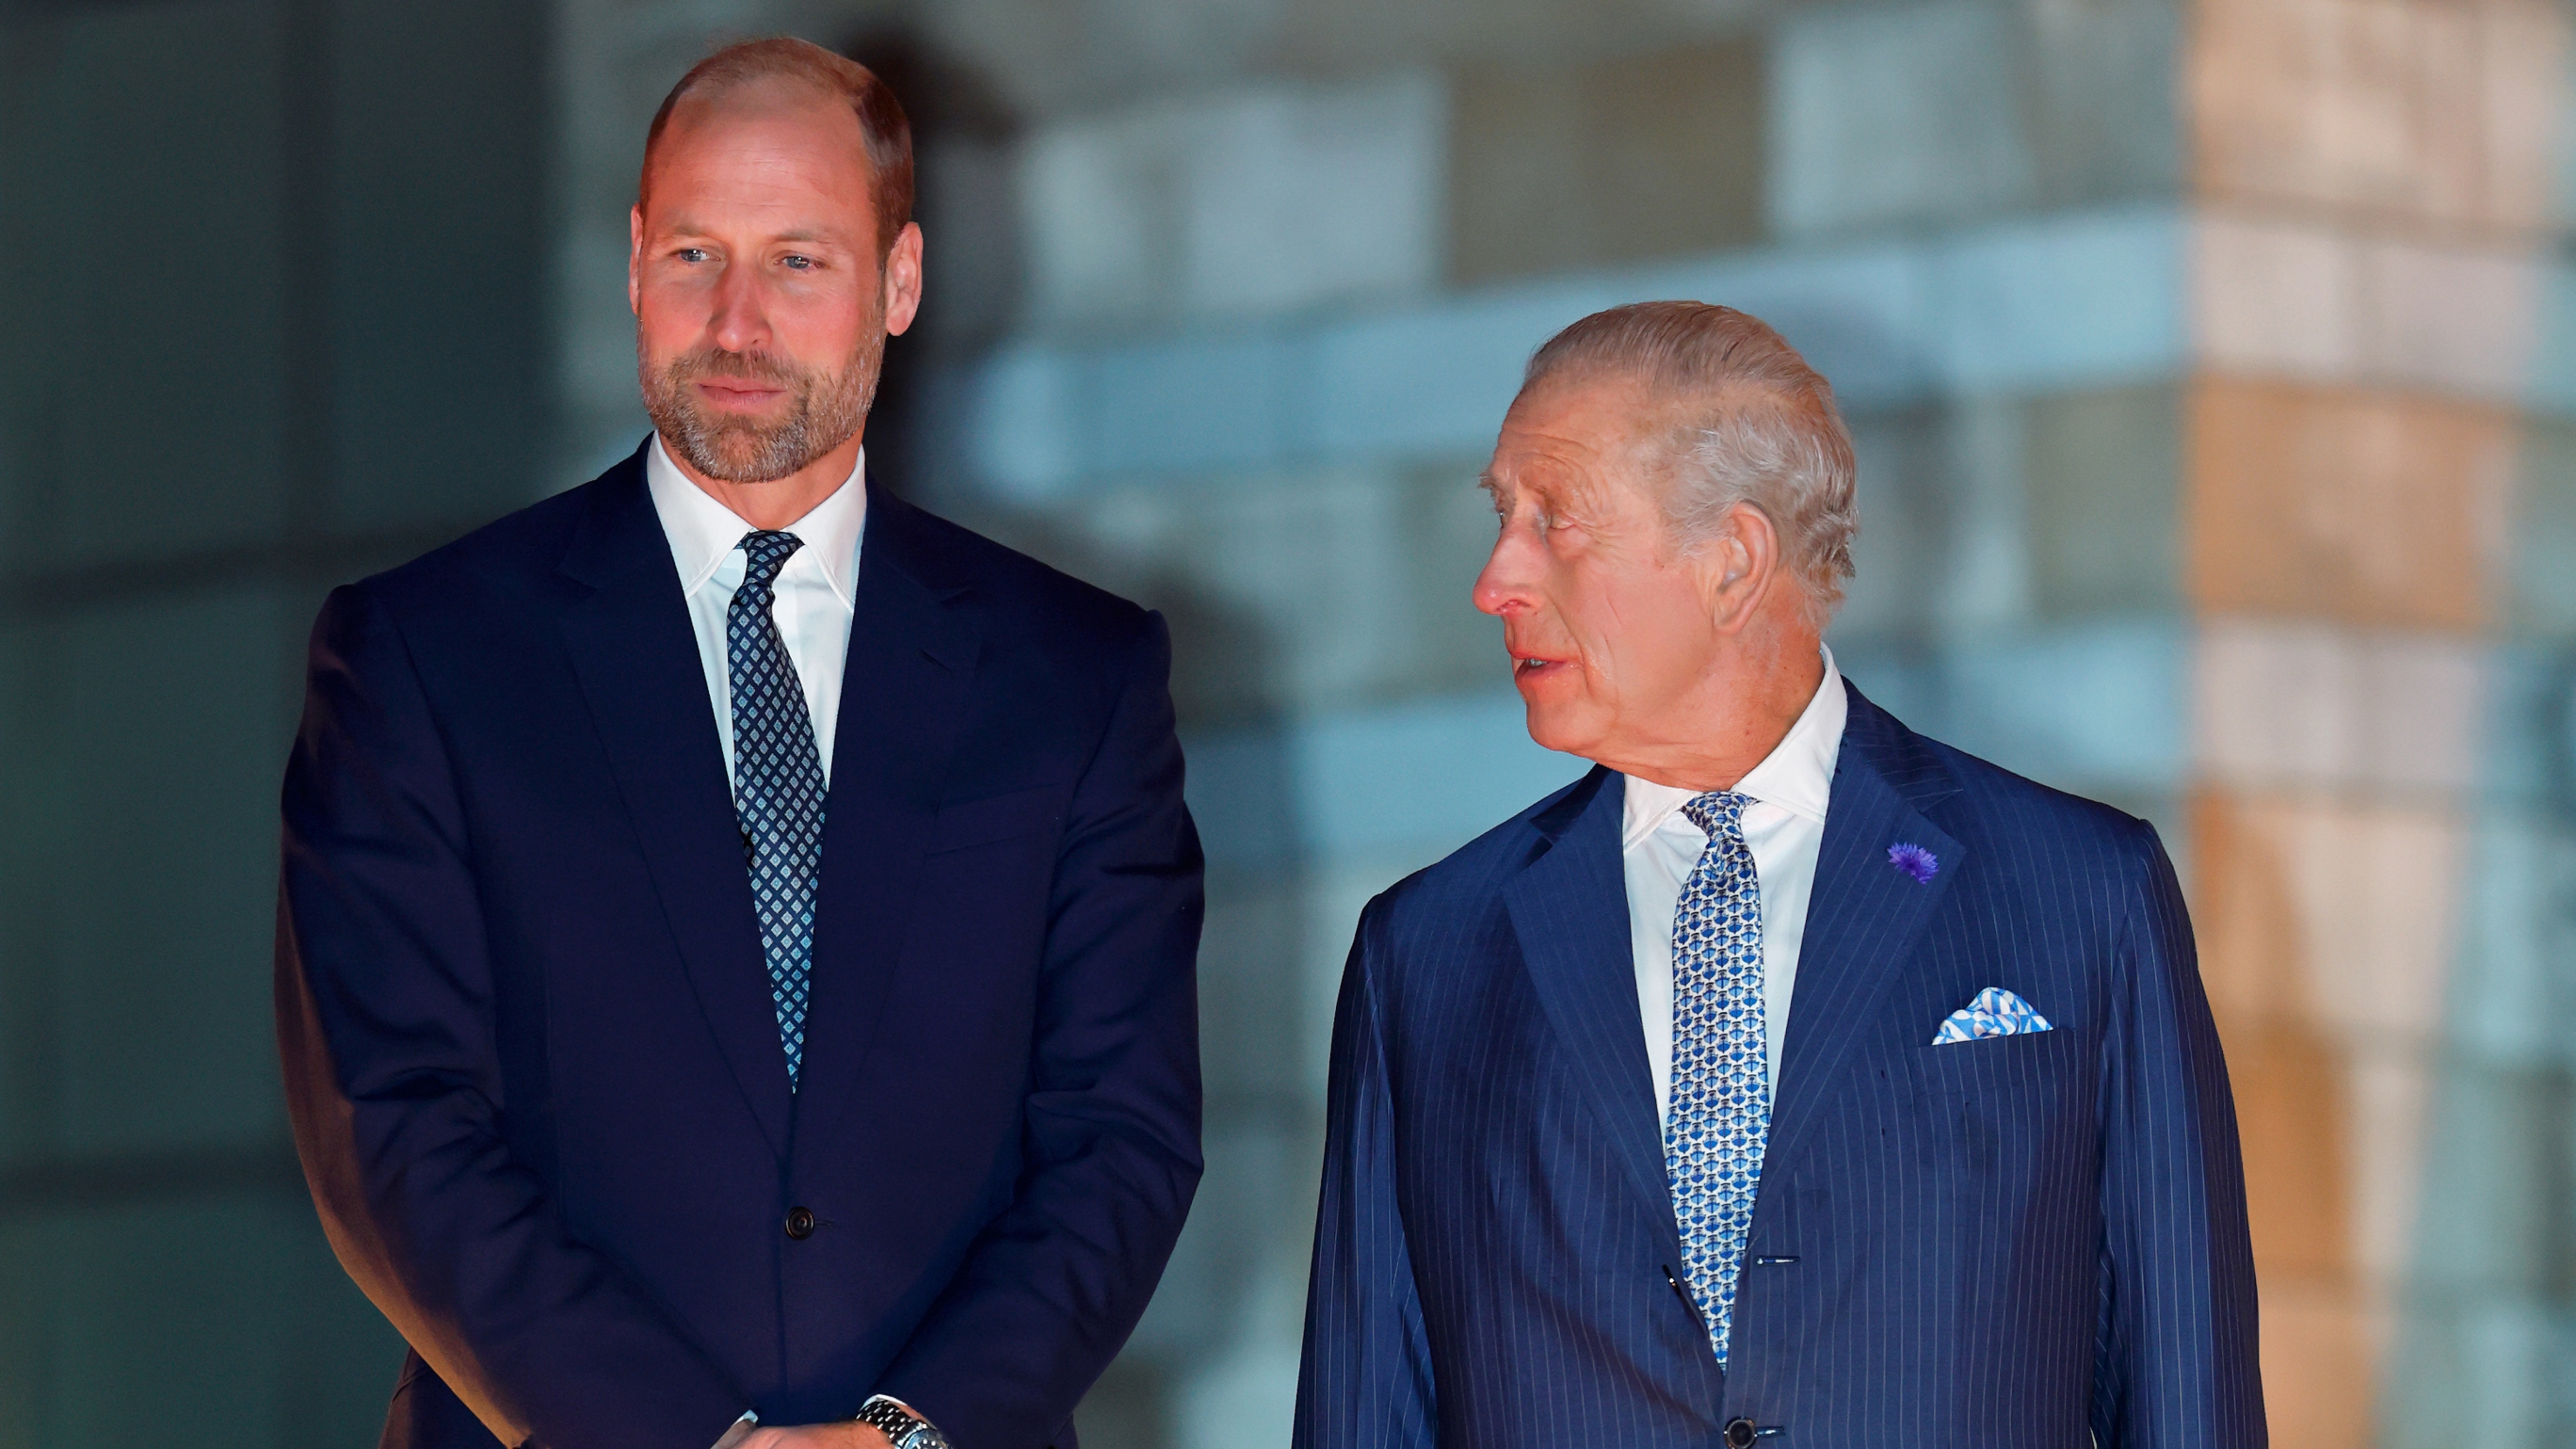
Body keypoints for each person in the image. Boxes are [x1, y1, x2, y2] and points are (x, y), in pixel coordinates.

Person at [276, 37, 1203, 1449]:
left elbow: (1118, 1137)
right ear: (635, 258)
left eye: (799, 261)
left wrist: (905, 1434)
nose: (737, 321)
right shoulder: (422, 654)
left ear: (900, 281)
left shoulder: (1077, 675)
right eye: (697, 255)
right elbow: (390, 1127)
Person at [1292, 303, 2262, 1448]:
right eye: (1503, 516)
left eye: (1555, 521)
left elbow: (2185, 1398)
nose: (1494, 579)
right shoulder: (1427, 952)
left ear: (1732, 563)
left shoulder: (2081, 893)